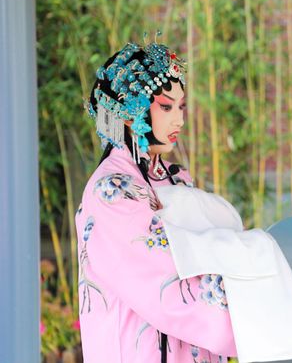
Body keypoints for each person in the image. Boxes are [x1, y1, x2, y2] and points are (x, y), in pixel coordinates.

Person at [77, 40, 235, 362]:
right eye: (166, 107)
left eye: (181, 107)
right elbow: (163, 276)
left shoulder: (177, 178)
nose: (179, 120)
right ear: (129, 111)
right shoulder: (111, 191)